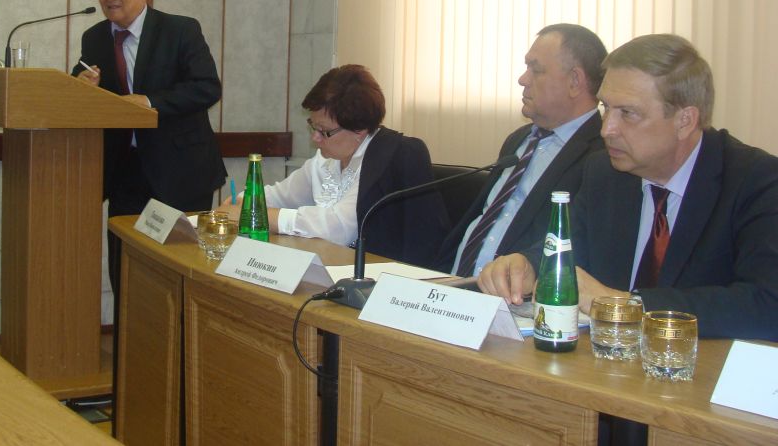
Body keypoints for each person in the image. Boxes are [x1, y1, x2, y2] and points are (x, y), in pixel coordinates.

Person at [478, 34, 778, 341]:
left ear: (685, 121)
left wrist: (624, 306)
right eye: (606, 107)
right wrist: (529, 265)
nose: (607, 129)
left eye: (628, 113)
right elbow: (574, 245)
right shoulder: (605, 172)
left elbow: (768, 304)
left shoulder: (756, 181)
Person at [73, 0, 227, 284]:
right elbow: (82, 85)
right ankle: (126, 321)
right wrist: (81, 85)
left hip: (180, 169)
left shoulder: (180, 30)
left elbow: (206, 87)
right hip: (124, 171)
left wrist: (149, 101)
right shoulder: (95, 38)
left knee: (178, 269)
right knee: (125, 267)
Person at [221, 65, 446, 267]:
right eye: (313, 127)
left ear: (359, 129)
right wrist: (241, 201)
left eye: (324, 131)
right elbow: (280, 196)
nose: (315, 138)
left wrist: (254, 214)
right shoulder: (325, 160)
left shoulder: (391, 156)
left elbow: (338, 228)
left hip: (385, 279)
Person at [435, 24, 608, 275]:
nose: (522, 79)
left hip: (516, 293)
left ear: (575, 81)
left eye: (536, 70)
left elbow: (578, 246)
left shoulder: (603, 158)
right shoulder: (519, 140)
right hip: (452, 284)